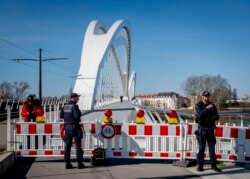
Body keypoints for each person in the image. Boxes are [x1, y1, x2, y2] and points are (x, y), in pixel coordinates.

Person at [195, 91, 221, 172]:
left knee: (212, 147)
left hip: (210, 128)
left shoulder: (212, 105)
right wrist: (207, 108)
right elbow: (199, 115)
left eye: (207, 96)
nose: (206, 98)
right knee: (201, 147)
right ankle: (200, 165)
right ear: (202, 96)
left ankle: (213, 165)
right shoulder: (198, 105)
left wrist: (214, 116)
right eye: (205, 96)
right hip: (202, 128)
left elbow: (217, 116)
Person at [60, 93, 84, 169]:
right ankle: (79, 164)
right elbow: (77, 116)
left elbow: (61, 116)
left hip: (67, 127)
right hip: (75, 127)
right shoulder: (74, 106)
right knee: (78, 146)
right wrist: (78, 112)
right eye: (77, 98)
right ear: (73, 98)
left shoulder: (65, 106)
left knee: (67, 146)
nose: (78, 99)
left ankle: (67, 164)